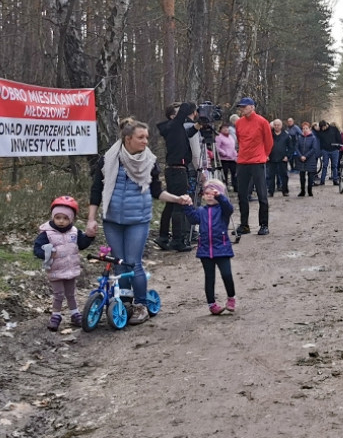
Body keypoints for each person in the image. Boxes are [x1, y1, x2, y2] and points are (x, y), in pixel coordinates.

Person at [85, 119, 193, 324]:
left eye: (146, 137)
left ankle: (141, 304)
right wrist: (91, 219)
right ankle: (124, 302)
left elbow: (157, 192)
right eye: (140, 137)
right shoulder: (108, 159)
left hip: (138, 219)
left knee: (133, 263)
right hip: (112, 219)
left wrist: (177, 199)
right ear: (128, 139)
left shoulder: (149, 162)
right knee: (119, 263)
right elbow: (96, 190)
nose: (145, 141)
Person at [34, 195, 95, 330]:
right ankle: (56, 315)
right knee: (58, 294)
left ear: (71, 219)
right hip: (55, 270)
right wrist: (46, 253)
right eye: (58, 217)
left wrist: (90, 236)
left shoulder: (75, 232)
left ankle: (75, 314)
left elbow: (82, 244)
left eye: (65, 218)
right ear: (53, 217)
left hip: (71, 269)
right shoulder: (47, 233)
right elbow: (36, 249)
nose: (61, 221)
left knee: (71, 293)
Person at [183, 178, 236, 315]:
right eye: (206, 193)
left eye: (213, 193)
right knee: (209, 278)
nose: (209, 196)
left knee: (226, 275)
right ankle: (212, 304)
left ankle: (231, 298)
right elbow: (193, 219)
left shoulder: (223, 211)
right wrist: (187, 206)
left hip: (222, 249)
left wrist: (219, 196)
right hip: (205, 251)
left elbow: (229, 208)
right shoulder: (201, 211)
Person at [155, 102, 198, 252]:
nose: (183, 114)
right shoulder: (174, 125)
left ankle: (163, 237)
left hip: (173, 170)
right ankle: (178, 240)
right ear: (173, 116)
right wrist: (192, 105)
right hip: (177, 171)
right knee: (179, 204)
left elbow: (188, 134)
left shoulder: (174, 129)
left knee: (171, 204)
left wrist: (198, 125)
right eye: (179, 112)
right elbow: (187, 107)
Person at [234, 97, 273, 235]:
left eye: (244, 107)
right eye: (240, 107)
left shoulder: (262, 122)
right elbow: (240, 140)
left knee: (262, 194)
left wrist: (264, 155)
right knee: (242, 194)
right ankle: (244, 225)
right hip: (243, 161)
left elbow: (269, 141)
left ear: (252, 107)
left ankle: (264, 225)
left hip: (257, 161)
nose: (242, 109)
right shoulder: (239, 123)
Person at [294, 121, 321, 197]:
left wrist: (306, 156)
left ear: (309, 129)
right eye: (303, 128)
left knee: (310, 176)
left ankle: (310, 190)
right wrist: (300, 156)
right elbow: (296, 147)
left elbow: (314, 148)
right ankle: (302, 190)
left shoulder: (313, 138)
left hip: (310, 159)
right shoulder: (299, 137)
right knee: (302, 176)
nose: (305, 130)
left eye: (306, 128)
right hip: (301, 159)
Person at [267, 119, 291, 197]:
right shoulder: (269, 134)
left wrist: (287, 156)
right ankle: (271, 191)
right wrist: (266, 155)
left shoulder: (286, 135)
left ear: (281, 126)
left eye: (278, 125)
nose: (276, 126)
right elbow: (265, 145)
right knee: (271, 176)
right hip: (271, 158)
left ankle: (285, 190)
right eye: (275, 125)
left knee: (284, 176)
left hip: (282, 159)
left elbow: (291, 147)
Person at [316, 120, 343, 185]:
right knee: (325, 166)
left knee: (334, 166)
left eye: (323, 127)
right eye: (321, 128)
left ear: (326, 125)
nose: (323, 129)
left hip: (334, 150)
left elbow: (339, 138)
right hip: (325, 150)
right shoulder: (320, 131)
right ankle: (322, 181)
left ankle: (335, 180)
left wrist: (338, 147)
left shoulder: (334, 129)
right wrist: (322, 148)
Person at [215, 123, 238, 192]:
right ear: (221, 129)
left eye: (227, 128)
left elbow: (233, 147)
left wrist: (236, 155)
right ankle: (225, 187)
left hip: (232, 158)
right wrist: (224, 153)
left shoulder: (230, 137)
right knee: (224, 173)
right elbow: (217, 147)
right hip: (224, 159)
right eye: (224, 128)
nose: (226, 129)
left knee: (234, 173)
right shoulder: (219, 137)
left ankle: (235, 186)